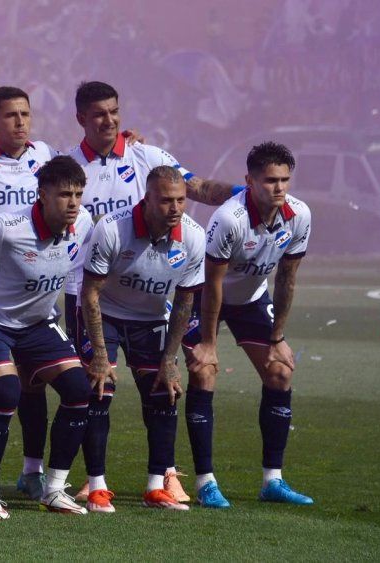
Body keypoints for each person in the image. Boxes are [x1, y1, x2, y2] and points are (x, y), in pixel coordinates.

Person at [65, 81, 239, 511]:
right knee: (95, 385)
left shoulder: (151, 157)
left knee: (164, 385)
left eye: (114, 111)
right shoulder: (67, 165)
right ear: (82, 119)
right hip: (86, 288)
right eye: (99, 113)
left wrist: (244, 195)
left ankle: (164, 478)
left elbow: (198, 188)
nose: (109, 120)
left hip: (151, 293)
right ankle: (77, 478)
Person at [0, 155, 93, 519]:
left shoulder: (82, 224)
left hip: (37, 325)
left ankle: (53, 488)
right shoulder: (7, 227)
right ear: (42, 194)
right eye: (64, 194)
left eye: (78, 194)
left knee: (79, 389)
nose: (73, 203)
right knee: (5, 391)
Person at [185, 141, 313, 507]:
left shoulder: (299, 215)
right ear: (249, 181)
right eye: (271, 180)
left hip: (252, 299)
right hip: (205, 297)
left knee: (280, 372)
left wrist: (278, 337)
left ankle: (272, 481)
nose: (279, 188)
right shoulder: (229, 218)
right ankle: (205, 482)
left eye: (285, 180)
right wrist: (208, 343)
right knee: (204, 372)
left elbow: (287, 279)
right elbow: (212, 286)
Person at [80, 166, 206, 511]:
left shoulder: (193, 237)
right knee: (99, 388)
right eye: (166, 200)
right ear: (147, 199)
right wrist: (101, 356)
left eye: (181, 200)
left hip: (151, 318)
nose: (175, 208)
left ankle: (156, 487)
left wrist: (170, 360)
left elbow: (184, 300)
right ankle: (96, 486)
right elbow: (89, 293)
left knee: (165, 392)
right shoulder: (111, 228)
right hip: (105, 313)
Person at [0, 86, 57, 503]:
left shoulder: (45, 155)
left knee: (33, 382)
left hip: (33, 278)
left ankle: (32, 472)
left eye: (25, 114)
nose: (20, 123)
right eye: (10, 116)